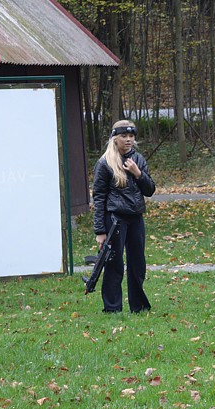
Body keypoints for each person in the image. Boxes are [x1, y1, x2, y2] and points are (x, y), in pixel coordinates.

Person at [92, 120, 156, 313]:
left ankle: (139, 306)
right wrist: (100, 231)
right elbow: (99, 197)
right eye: (124, 136)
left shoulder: (139, 159)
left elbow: (150, 190)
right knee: (114, 264)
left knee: (138, 264)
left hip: (136, 218)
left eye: (131, 136)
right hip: (114, 220)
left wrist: (138, 174)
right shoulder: (105, 163)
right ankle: (112, 308)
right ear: (115, 138)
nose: (128, 140)